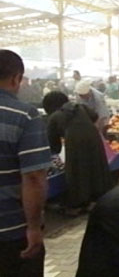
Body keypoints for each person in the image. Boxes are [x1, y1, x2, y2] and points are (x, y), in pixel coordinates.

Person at [0, 50, 51, 277]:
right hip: (10, 231)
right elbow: (33, 178)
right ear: (16, 78)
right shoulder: (24, 115)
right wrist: (33, 227)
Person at [43, 91, 113, 215]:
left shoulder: (54, 116)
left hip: (74, 142)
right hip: (93, 137)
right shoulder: (79, 107)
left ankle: (78, 205)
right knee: (96, 167)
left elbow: (53, 144)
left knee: (77, 172)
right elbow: (94, 116)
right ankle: (96, 199)